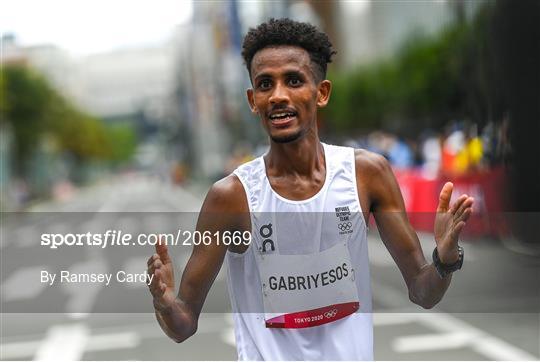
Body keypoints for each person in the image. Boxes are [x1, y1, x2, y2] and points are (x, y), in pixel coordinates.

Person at [147, 18, 474, 360]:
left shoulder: (367, 174)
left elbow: (423, 291)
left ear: (322, 93)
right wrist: (164, 303)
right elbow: (183, 325)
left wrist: (445, 260)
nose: (277, 96)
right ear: (252, 100)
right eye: (264, 84)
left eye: (293, 81)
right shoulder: (231, 196)